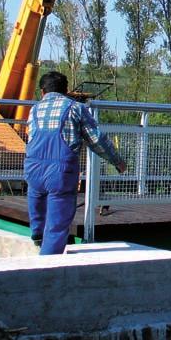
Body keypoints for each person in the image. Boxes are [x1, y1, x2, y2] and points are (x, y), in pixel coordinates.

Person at [24, 71, 126, 255]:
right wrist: (117, 161)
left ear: (42, 92)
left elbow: (30, 137)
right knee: (58, 222)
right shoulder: (75, 108)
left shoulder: (34, 109)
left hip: (33, 168)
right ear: (66, 91)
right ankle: (47, 265)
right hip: (60, 171)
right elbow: (96, 140)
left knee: (36, 198)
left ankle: (37, 234)